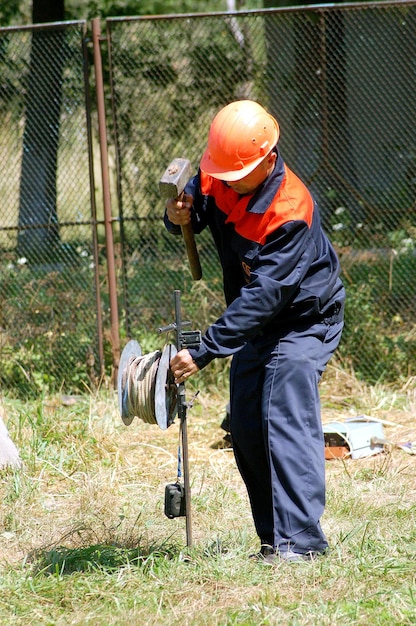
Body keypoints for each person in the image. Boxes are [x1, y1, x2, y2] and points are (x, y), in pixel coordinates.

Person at [164, 100, 345, 564]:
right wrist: (178, 214)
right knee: (245, 425)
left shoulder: (290, 210)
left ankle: (301, 545)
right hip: (257, 324)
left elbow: (265, 297)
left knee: (281, 415)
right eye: (219, 173)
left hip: (303, 321)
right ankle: (273, 538)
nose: (223, 182)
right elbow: (198, 203)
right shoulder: (228, 170)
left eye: (233, 175)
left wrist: (203, 351)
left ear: (267, 160)